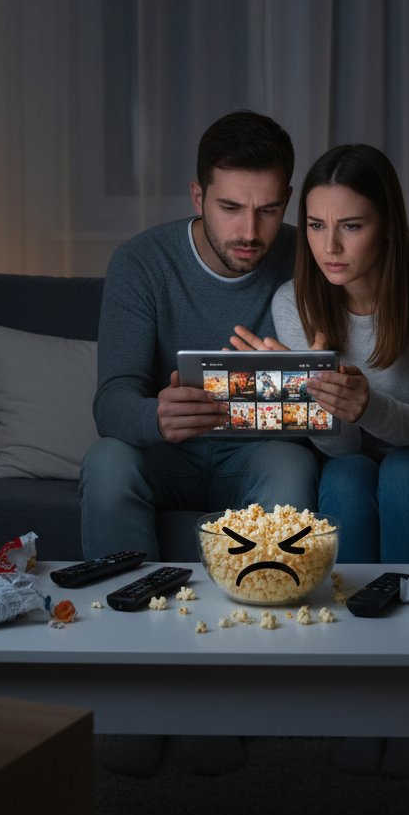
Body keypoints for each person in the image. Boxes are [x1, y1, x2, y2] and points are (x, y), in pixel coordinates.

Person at [232, 143, 409, 777]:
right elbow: (345, 447)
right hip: (363, 460)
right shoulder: (293, 301)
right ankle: (361, 702)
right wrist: (317, 407)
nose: (331, 246)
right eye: (319, 226)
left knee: (406, 472)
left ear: (387, 222)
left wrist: (363, 402)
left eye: (352, 226)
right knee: (348, 472)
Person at [79, 109, 319, 776]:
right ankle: (133, 696)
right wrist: (154, 416)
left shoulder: (308, 254)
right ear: (197, 197)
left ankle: (229, 698)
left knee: (290, 470)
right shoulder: (141, 262)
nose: (250, 232)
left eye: (269, 210)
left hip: (258, 452)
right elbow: (111, 401)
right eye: (232, 208)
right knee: (106, 462)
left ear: (288, 201)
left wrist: (291, 391)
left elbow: (329, 394)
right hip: (169, 455)